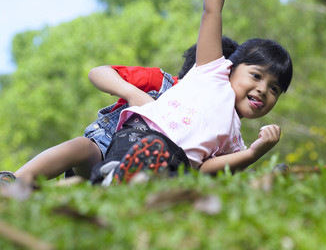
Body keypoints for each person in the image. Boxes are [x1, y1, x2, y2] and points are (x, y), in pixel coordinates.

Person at [90, 0, 293, 184]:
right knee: (145, 152)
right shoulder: (212, 73)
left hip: (180, 167)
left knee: (188, 182)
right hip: (144, 135)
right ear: (230, 68)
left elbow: (207, 169)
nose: (263, 89)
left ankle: (135, 183)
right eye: (256, 76)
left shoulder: (235, 140)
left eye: (274, 88)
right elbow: (212, 10)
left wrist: (254, 152)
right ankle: (117, 176)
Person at [0, 37, 239, 185]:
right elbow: (98, 72)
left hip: (152, 172)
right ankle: (16, 179)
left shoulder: (217, 121)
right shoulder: (162, 82)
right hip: (102, 153)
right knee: (81, 146)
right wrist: (134, 94)